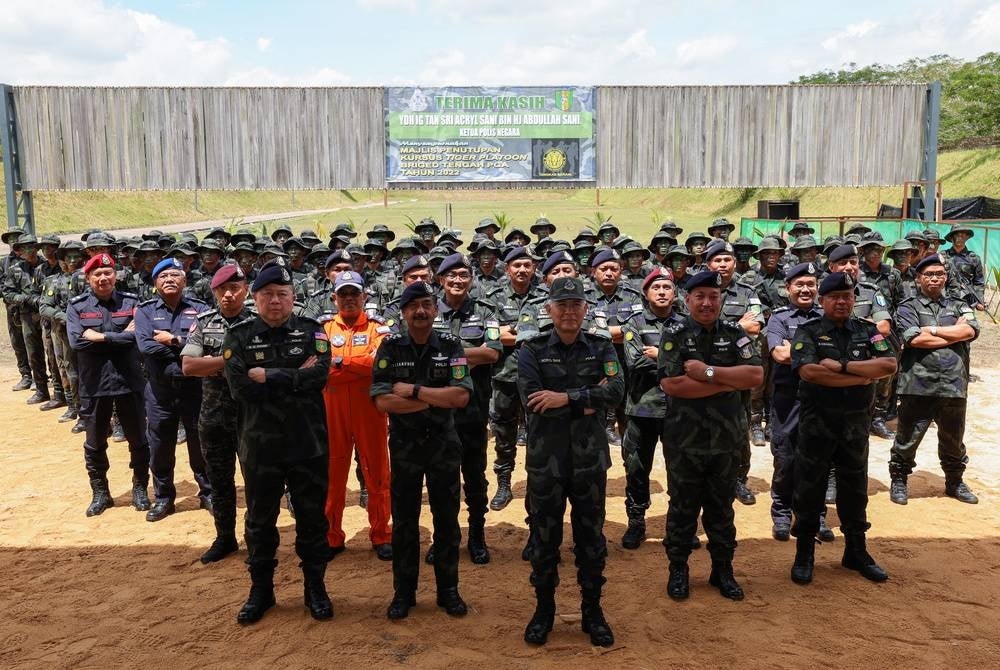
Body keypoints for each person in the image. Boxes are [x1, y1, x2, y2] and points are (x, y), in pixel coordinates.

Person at [223, 259, 334, 624]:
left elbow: (319, 376)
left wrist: (268, 375)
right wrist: (294, 376)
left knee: (312, 519)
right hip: (261, 447)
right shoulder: (238, 337)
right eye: (268, 294)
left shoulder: (311, 331)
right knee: (259, 521)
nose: (275, 301)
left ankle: (315, 588)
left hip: (308, 443)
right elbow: (240, 389)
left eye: (282, 294)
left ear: (293, 297)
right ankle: (261, 590)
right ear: (254, 297)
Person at [517, 276, 624, 647]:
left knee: (591, 539)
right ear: (549, 310)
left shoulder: (601, 347)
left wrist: (565, 398)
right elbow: (533, 399)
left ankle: (592, 611)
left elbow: (616, 391)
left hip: (589, 461)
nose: (568, 312)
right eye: (561, 305)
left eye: (575, 305)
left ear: (585, 309)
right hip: (546, 461)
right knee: (545, 540)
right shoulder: (530, 350)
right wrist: (588, 401)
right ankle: (543, 611)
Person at [658, 271, 764, 602]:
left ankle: (723, 571)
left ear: (721, 299)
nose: (707, 303)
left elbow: (756, 375)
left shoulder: (736, 334)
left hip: (726, 440)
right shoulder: (673, 332)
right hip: (684, 440)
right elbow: (672, 384)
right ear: (687, 300)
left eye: (713, 296)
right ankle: (678, 569)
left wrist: (707, 373)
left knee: (721, 509)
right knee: (682, 509)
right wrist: (729, 381)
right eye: (699, 296)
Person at [370, 281, 472, 620]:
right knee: (404, 523)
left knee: (446, 521)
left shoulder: (451, 345)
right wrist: (434, 397)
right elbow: (383, 401)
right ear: (403, 312)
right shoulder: (390, 348)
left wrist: (413, 391)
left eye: (427, 304)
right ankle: (404, 593)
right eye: (413, 306)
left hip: (444, 447)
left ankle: (448, 591)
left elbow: (460, 397)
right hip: (405, 449)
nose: (421, 311)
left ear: (436, 308)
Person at [789, 271, 897, 585]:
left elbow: (888, 364)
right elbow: (809, 371)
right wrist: (862, 376)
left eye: (847, 296)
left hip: (854, 426)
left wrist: (844, 367)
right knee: (809, 489)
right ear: (822, 300)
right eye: (835, 297)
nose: (842, 302)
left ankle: (856, 551)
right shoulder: (808, 331)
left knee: (854, 489)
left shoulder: (868, 330)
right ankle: (805, 552)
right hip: (817, 425)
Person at [424, 254, 500, 565]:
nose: (458, 280)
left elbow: (493, 353)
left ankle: (477, 536)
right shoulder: (425, 310)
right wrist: (471, 355)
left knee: (475, 476)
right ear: (440, 279)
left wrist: (447, 356)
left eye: (463, 275)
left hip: (473, 409)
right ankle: (443, 537)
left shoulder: (486, 312)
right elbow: (421, 354)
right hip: (437, 411)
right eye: (451, 275)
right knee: (441, 478)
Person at [888, 254, 979, 505]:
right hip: (917, 383)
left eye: (939, 273)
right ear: (918, 278)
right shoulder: (907, 307)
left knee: (953, 440)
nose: (935, 278)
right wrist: (954, 335)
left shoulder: (960, 304)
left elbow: (970, 330)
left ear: (946, 276)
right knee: (907, 438)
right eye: (928, 274)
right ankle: (899, 481)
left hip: (954, 383)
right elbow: (914, 339)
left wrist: (934, 330)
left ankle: (954, 482)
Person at [66, 253, 151, 516]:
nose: (103, 278)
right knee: (94, 443)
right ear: (88, 278)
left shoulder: (132, 302)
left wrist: (101, 337)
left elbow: (140, 338)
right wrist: (121, 335)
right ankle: (100, 492)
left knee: (138, 439)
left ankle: (140, 488)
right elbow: (77, 343)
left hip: (129, 382)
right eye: (97, 275)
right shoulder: (77, 306)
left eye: (108, 273)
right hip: (95, 385)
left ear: (116, 275)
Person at [181, 264, 255, 563]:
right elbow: (188, 366)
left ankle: (256, 539)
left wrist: (211, 363)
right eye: (222, 289)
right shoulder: (203, 323)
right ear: (213, 292)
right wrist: (231, 362)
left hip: (252, 417)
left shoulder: (259, 322)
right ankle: (225, 538)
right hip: (214, 418)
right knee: (220, 482)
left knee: (256, 482)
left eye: (234, 288)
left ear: (245, 290)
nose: (228, 294)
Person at [322, 270, 393, 560]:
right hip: (333, 411)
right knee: (332, 475)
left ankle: (381, 534)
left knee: (377, 474)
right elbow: (320, 368)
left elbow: (381, 366)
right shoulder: (323, 329)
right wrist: (358, 366)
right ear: (334, 297)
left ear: (365, 297)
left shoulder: (378, 329)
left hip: (370, 411)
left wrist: (339, 363)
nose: (349, 299)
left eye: (354, 294)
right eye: (343, 294)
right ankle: (331, 536)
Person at [134, 258, 212, 522]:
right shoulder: (144, 311)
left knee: (199, 444)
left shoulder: (200, 309)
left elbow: (208, 344)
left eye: (175, 275)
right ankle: (164, 498)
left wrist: (173, 340)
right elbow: (146, 348)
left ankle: (207, 493)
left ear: (184, 281)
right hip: (160, 392)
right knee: (160, 446)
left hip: (195, 389)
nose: (169, 280)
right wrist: (187, 348)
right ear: (155, 282)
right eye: (163, 276)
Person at [765, 263, 833, 542]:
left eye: (810, 284)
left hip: (821, 397)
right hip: (788, 399)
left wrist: (801, 352)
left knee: (819, 459)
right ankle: (781, 513)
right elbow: (780, 355)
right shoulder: (778, 319)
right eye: (799, 285)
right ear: (788, 288)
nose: (805, 289)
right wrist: (820, 353)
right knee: (786, 459)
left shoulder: (827, 316)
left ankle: (816, 515)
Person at [620, 267, 683, 549]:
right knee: (636, 467)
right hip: (641, 409)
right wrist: (675, 358)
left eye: (667, 287)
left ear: (675, 293)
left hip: (678, 409)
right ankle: (636, 521)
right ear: (645, 293)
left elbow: (696, 361)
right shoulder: (633, 324)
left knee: (681, 469)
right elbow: (635, 363)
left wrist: (660, 354)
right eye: (655, 287)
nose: (661, 292)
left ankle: (679, 524)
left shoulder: (686, 323)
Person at [487, 246, 541, 510]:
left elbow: (546, 335)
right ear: (507, 268)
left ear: (534, 268)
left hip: (537, 379)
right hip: (504, 377)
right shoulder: (494, 297)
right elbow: (490, 337)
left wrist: (509, 331)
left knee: (537, 436)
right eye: (516, 265)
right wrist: (525, 331)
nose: (522, 270)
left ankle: (535, 488)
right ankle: (504, 484)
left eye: (527, 265)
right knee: (504, 435)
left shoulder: (544, 296)